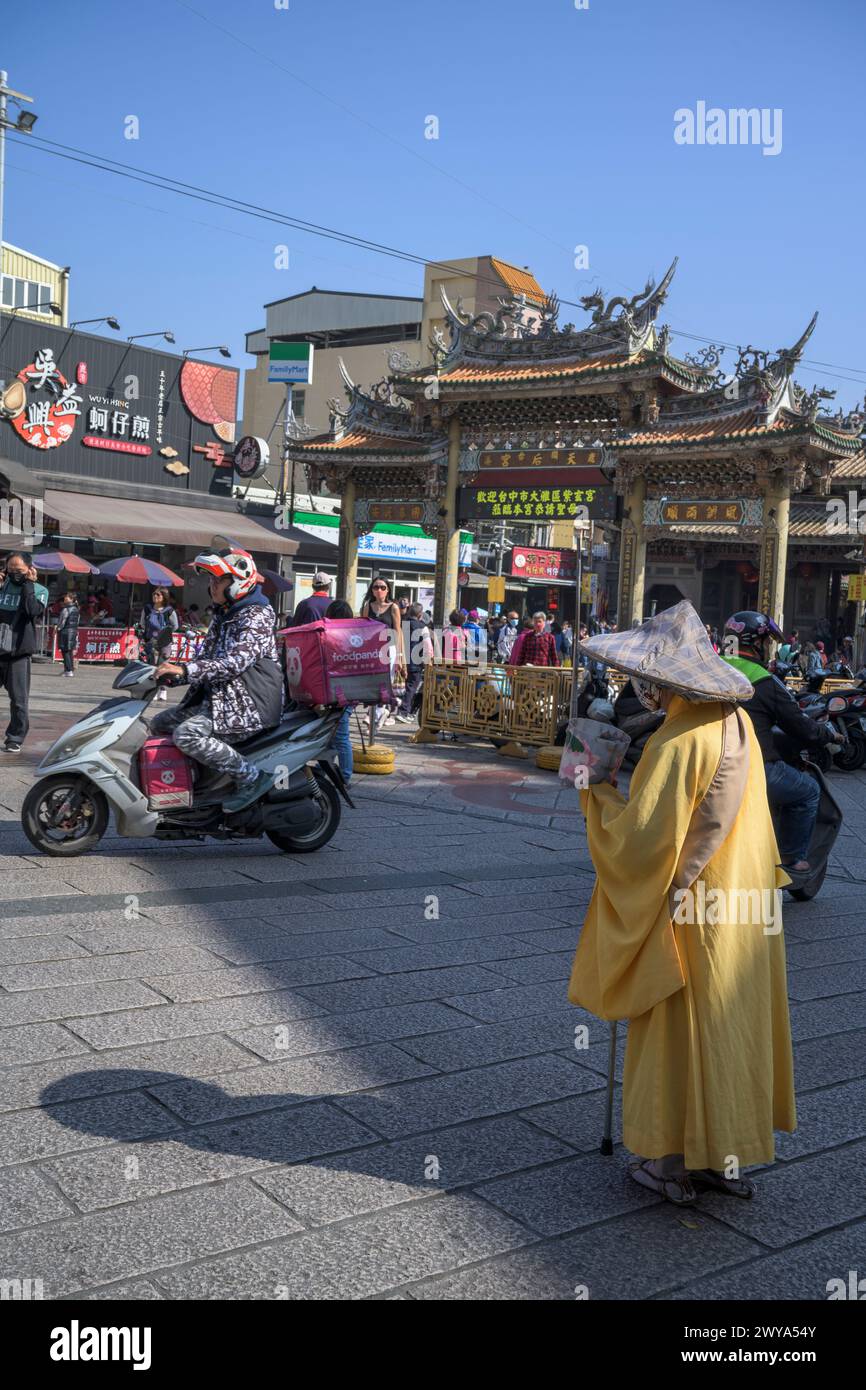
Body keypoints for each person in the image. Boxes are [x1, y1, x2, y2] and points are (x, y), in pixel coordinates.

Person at [570, 600, 796, 1205]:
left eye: (643, 678)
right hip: (745, 904)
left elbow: (641, 843)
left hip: (692, 909)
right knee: (732, 1027)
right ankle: (725, 1158)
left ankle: (668, 1163)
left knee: (678, 1028)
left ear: (661, 681)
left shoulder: (676, 741)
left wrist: (596, 793)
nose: (638, 688)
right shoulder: (734, 721)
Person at [152, 549, 284, 810]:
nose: (211, 586)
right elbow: (206, 659)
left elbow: (235, 663)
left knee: (187, 735)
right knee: (159, 722)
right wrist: (171, 673)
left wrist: (185, 672)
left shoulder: (257, 615)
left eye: (218, 580)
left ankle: (252, 778)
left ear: (237, 582)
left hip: (251, 703)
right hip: (222, 699)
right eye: (211, 580)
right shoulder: (225, 614)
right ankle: (195, 781)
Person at [723, 610, 841, 878]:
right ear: (755, 643)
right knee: (809, 791)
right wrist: (829, 735)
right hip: (750, 766)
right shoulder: (763, 680)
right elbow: (800, 726)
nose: (768, 649)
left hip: (708, 761)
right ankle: (793, 858)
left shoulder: (711, 667)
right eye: (766, 643)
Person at [0, 552, 49, 752]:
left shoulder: (39, 590)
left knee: (19, 700)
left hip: (18, 653)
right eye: (10, 570)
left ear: (29, 570)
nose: (14, 574)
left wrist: (28, 585)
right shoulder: (3, 587)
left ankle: (15, 737)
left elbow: (32, 611)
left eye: (18, 570)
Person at [361, 576, 405, 728]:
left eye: (382, 587)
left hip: (389, 648)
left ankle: (375, 713)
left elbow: (398, 631)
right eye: (376, 587)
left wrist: (400, 656)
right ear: (372, 590)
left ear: (388, 590)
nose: (379, 590)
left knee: (386, 681)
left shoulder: (393, 607)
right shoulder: (368, 606)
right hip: (372, 650)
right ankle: (378, 712)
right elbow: (363, 630)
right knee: (372, 681)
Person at [325, 598, 355, 784]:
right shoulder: (354, 636)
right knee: (332, 735)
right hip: (348, 692)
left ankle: (344, 776)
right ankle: (326, 768)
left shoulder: (336, 636)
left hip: (340, 693)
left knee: (341, 736)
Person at [396, 601, 432, 723]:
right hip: (415, 662)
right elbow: (428, 647)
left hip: (402, 659)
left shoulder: (402, 624)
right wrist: (428, 661)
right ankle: (403, 711)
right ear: (420, 614)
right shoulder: (423, 627)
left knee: (403, 686)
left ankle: (395, 708)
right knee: (411, 687)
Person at [143, 588, 179, 702]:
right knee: (151, 664)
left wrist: (165, 632)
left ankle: (163, 690)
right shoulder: (147, 609)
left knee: (163, 665)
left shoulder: (169, 610)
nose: (155, 597)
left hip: (165, 641)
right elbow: (142, 623)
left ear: (164, 597)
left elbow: (175, 626)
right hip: (150, 639)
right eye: (154, 594)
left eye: (158, 595)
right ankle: (152, 690)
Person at [56, 593, 80, 678]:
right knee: (69, 651)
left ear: (71, 599)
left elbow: (62, 622)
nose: (65, 599)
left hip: (65, 632)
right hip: (73, 631)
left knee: (65, 651)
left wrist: (57, 629)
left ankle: (68, 670)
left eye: (66, 598)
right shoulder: (76, 609)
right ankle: (69, 669)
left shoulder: (66, 609)